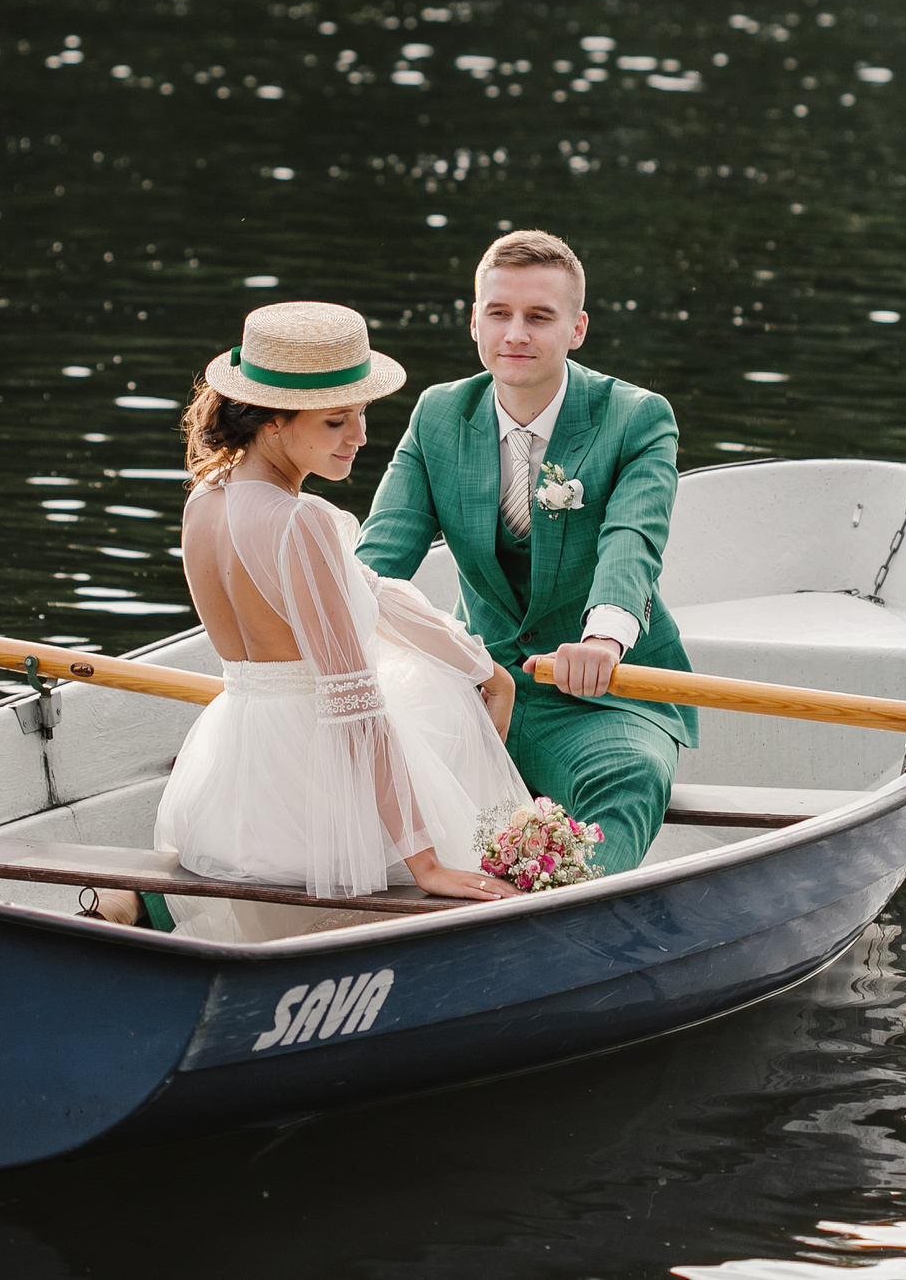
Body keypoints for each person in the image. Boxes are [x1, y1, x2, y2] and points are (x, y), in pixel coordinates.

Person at [88, 301, 528, 935]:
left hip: (233, 764)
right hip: (313, 774)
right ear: (271, 422)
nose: (360, 436)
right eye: (335, 421)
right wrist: (426, 861)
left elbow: (371, 594)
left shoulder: (205, 500)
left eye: (361, 414)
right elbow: (354, 703)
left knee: (439, 676)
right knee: (431, 704)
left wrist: (485, 666)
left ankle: (138, 906)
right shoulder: (300, 523)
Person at [355, 230, 695, 875]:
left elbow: (633, 540)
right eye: (498, 313)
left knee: (630, 778)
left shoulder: (637, 418)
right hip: (477, 682)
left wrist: (602, 642)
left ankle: (564, 929)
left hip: (605, 690)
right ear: (474, 321)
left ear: (577, 329)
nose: (515, 333)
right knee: (353, 755)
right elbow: (381, 556)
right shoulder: (438, 414)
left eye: (539, 317)